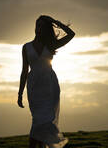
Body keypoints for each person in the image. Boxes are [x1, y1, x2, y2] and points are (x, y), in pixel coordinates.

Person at [17, 15, 75, 148]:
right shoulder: (26, 47)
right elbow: (24, 71)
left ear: (46, 29)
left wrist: (55, 22)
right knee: (38, 120)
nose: (39, 28)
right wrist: (20, 94)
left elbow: (71, 34)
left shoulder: (51, 45)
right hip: (34, 88)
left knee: (46, 121)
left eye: (43, 26)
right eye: (38, 25)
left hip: (50, 87)